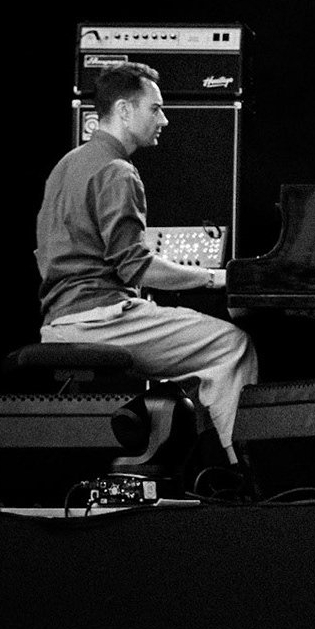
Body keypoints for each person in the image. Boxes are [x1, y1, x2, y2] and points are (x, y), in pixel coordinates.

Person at [35, 62, 259, 460]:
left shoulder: (65, 165)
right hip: (99, 324)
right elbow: (136, 267)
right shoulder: (118, 171)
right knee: (231, 345)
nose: (165, 119)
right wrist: (215, 278)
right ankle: (244, 472)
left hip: (57, 323)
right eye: (155, 109)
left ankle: (185, 464)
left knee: (191, 348)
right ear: (124, 110)